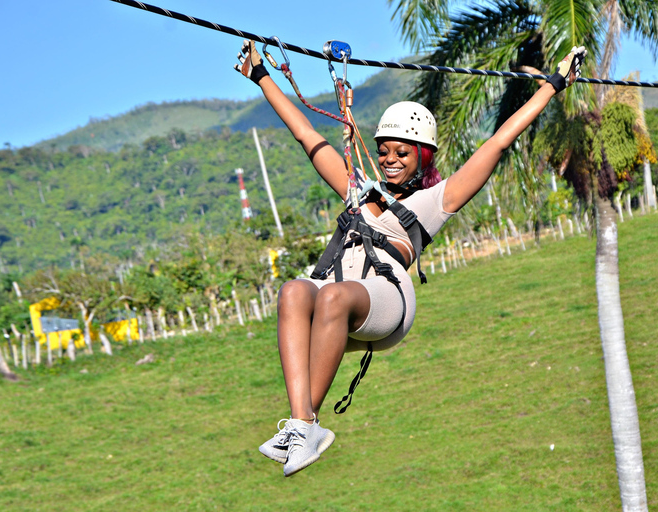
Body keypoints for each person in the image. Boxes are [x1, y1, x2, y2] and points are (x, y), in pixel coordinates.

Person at [234, 40, 586, 477]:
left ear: (423, 156)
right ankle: (298, 421)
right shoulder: (357, 189)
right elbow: (307, 135)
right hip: (340, 288)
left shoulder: (436, 200)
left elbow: (498, 141)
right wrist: (261, 76)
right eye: (384, 152)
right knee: (293, 291)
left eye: (402, 153)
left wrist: (553, 85)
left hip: (386, 300)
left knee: (332, 298)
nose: (390, 160)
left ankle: (308, 425)